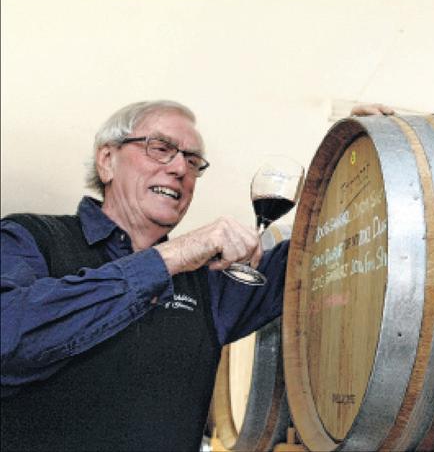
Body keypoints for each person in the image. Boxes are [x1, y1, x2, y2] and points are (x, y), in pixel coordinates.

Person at [0, 100, 393, 451]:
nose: (179, 169)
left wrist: (362, 162)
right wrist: (172, 256)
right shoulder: (31, 237)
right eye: (160, 148)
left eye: (192, 161)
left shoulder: (211, 282)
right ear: (107, 160)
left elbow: (318, 255)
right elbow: (9, 336)